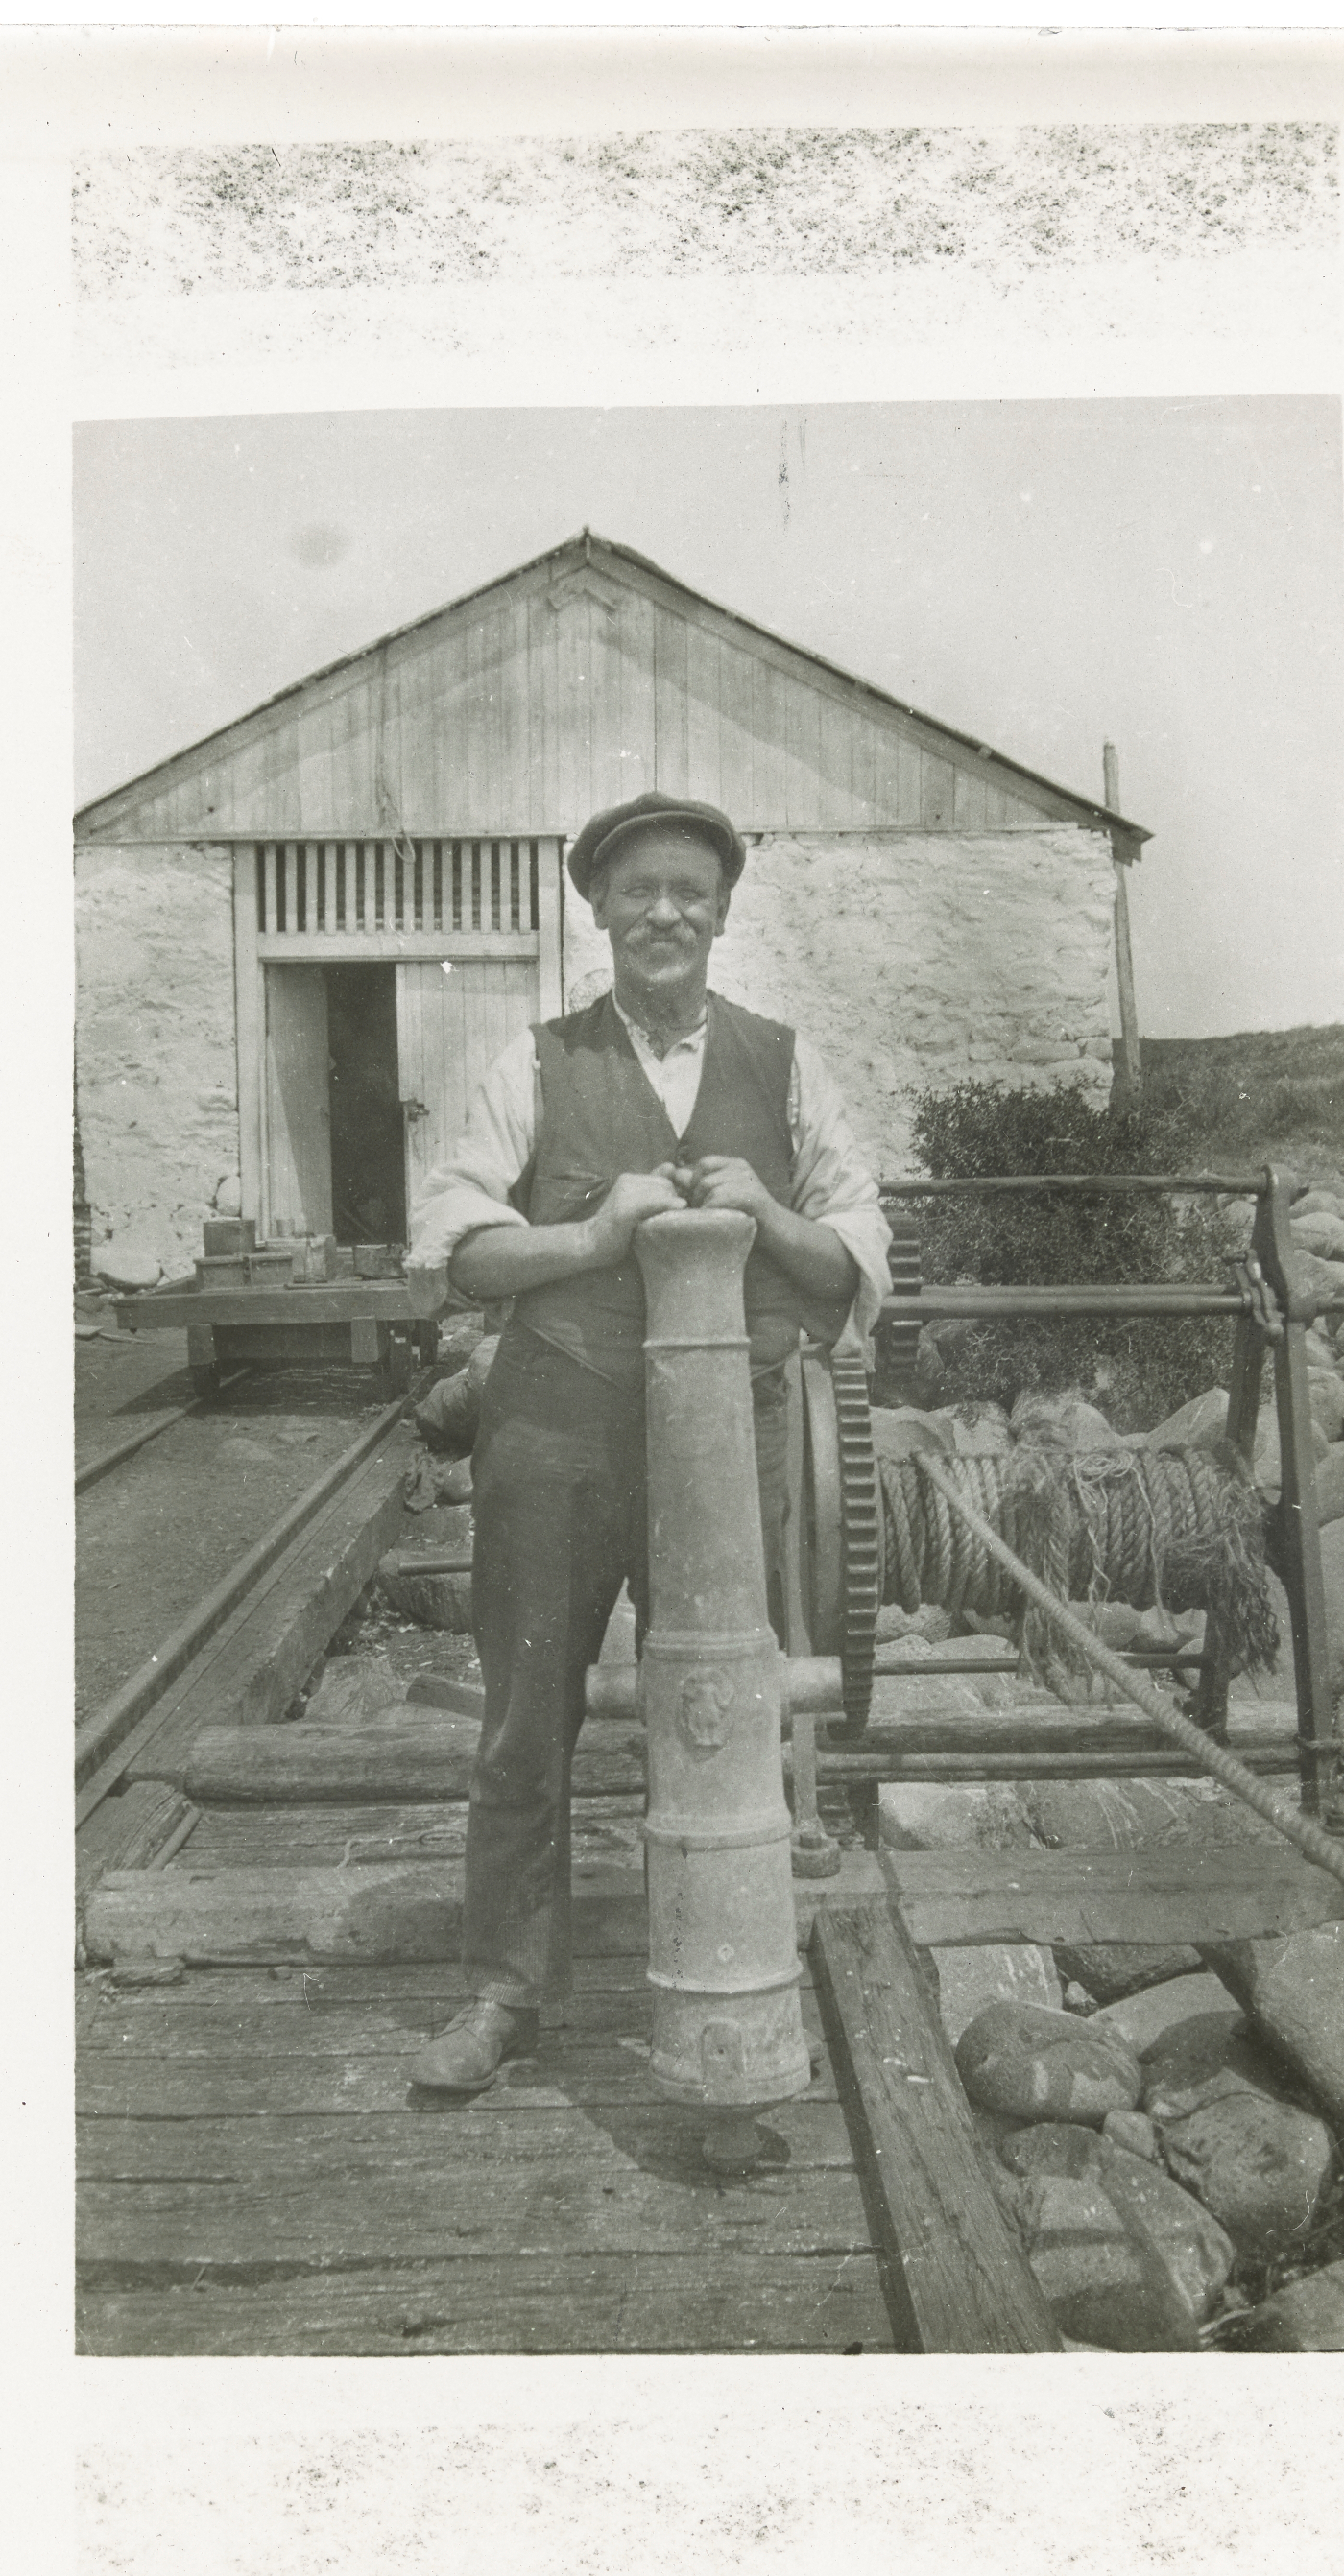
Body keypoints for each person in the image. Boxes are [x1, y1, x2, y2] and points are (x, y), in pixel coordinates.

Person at [402, 792, 892, 2091]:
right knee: (522, 1718)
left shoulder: (785, 1066)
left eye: (689, 890)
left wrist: (763, 1212)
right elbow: (451, 1254)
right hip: (553, 1429)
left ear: (722, 913)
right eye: (639, 892)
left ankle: (732, 1980)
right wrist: (589, 1234)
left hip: (729, 1448)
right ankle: (504, 1991)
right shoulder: (535, 1064)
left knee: (725, 1713)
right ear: (600, 912)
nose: (664, 911)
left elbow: (853, 1258)